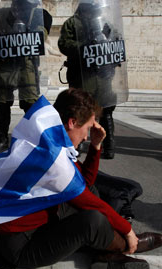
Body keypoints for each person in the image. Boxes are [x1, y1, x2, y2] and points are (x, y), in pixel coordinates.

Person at [0, 89, 162, 269]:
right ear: (72, 122)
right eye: (87, 129)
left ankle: (105, 253)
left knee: (91, 191)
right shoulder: (51, 157)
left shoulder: (52, 139)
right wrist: (128, 232)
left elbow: (85, 182)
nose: (86, 136)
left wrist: (95, 146)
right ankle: (124, 248)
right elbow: (84, 199)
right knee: (92, 220)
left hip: (40, 224)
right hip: (22, 246)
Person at [0, 0, 52, 156]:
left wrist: (28, 31)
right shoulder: (0, 14)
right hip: (5, 64)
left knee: (29, 104)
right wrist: (1, 33)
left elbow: (41, 34)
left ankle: (32, 141)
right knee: (2, 103)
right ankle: (1, 141)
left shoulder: (38, 14)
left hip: (26, 66)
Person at [58, 0, 125, 160]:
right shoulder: (72, 23)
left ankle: (109, 145)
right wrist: (84, 45)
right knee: (80, 108)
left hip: (102, 75)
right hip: (82, 75)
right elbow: (64, 44)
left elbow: (115, 39)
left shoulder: (104, 21)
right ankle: (77, 143)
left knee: (106, 110)